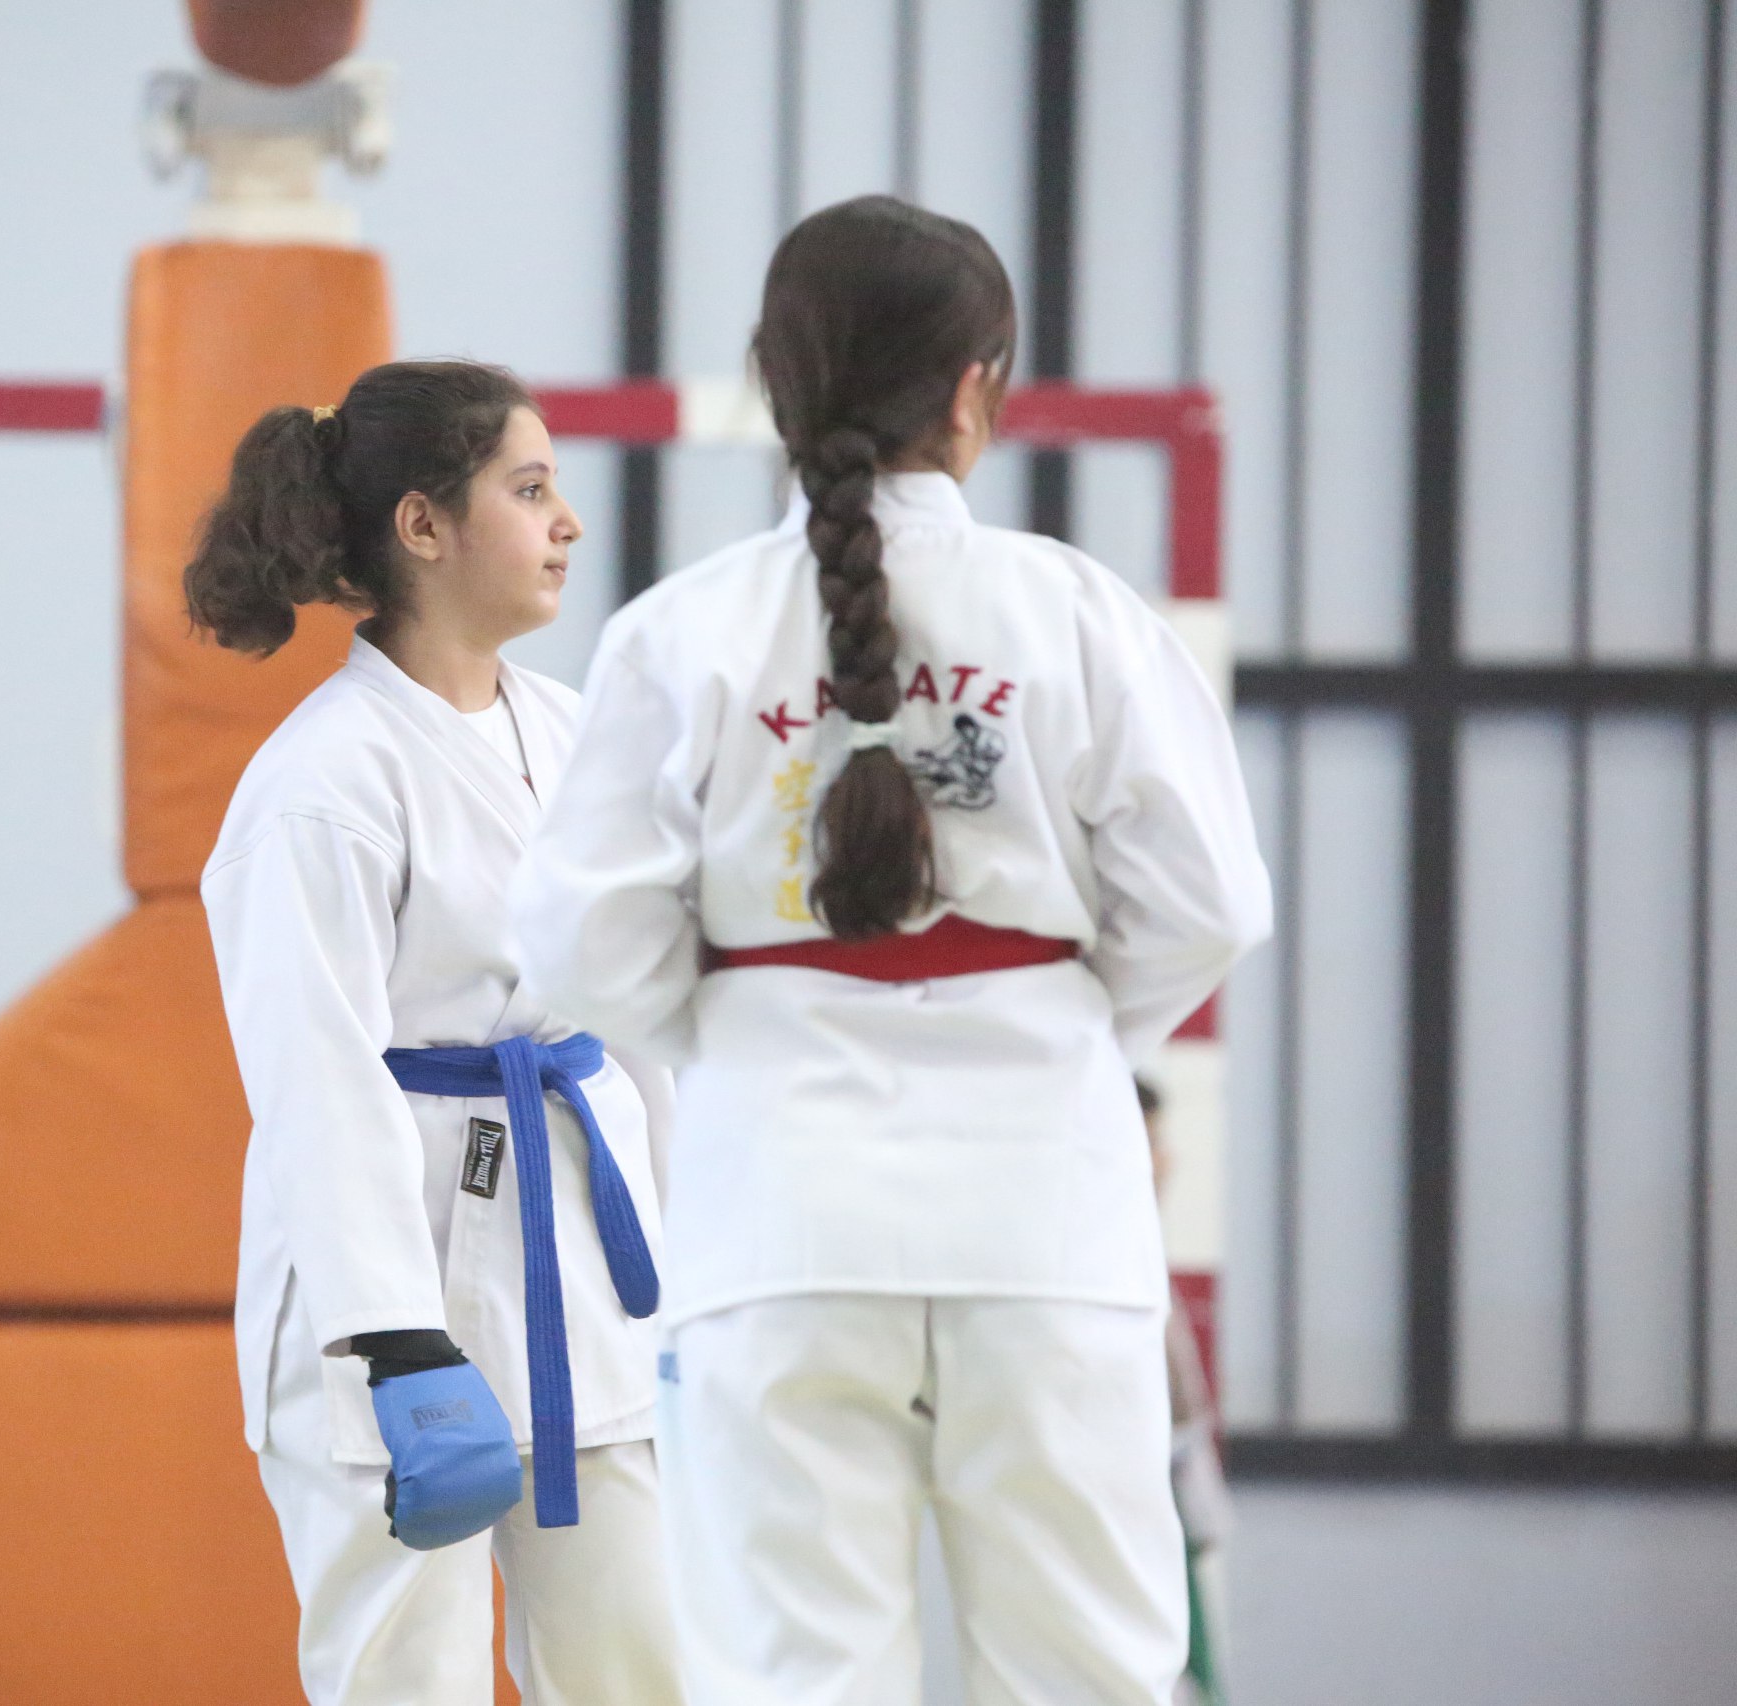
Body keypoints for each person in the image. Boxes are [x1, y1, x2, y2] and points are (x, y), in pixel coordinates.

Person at [509, 196, 1272, 1706]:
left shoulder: (681, 631)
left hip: (777, 1206)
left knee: (791, 1675)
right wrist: (1055, 1017)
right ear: (977, 389)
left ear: (774, 382)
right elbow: (1210, 901)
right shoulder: (1076, 612)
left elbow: (583, 939)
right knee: (1088, 1675)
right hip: (1047, 1207)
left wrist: (745, 1028)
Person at [191, 360, 684, 1706]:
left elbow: (640, 1023)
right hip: (391, 1289)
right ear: (423, 525)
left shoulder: (579, 738)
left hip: (582, 1268)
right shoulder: (322, 780)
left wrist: (692, 1256)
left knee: (650, 1666)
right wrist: (393, 1333)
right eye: (528, 489)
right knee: (408, 1680)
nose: (566, 521)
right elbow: (316, 1081)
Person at [1137, 1077, 1236, 1706]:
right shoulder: (1101, 1270)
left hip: (1177, 1494)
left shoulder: (1147, 1253)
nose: (1165, 1162)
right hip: (1134, 1501)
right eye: (1150, 1144)